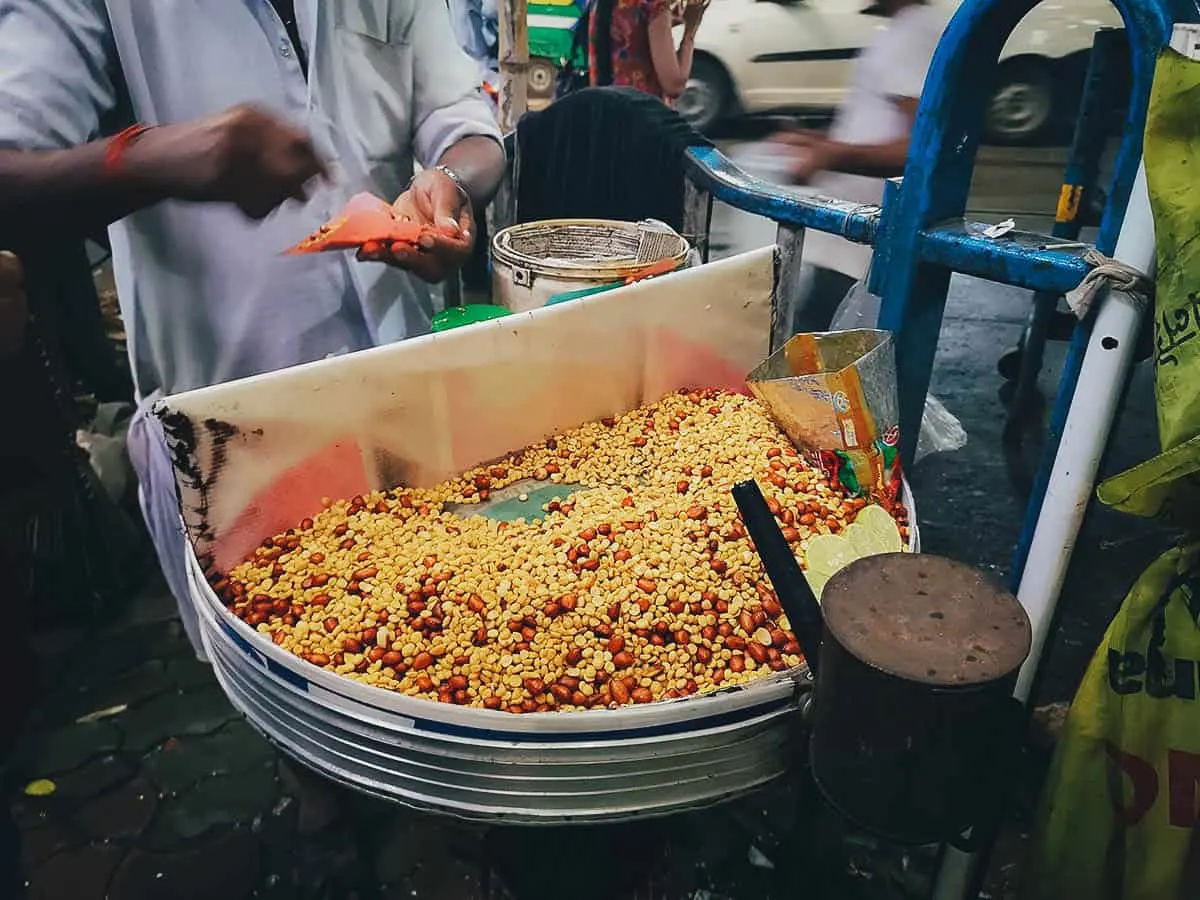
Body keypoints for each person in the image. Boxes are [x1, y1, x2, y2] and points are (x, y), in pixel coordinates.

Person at [0, 1, 505, 658]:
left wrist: (451, 186)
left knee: (452, 656)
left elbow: (463, 120)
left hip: (407, 416)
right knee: (300, 698)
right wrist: (159, 157)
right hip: (237, 452)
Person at [769, 0, 944, 333]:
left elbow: (918, 149)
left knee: (812, 353)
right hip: (848, 238)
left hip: (862, 242)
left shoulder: (915, 33)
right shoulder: (900, 30)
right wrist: (816, 142)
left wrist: (829, 155)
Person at [589, 0, 709, 104]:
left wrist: (665, 23)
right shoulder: (656, 5)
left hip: (605, 110)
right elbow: (674, 86)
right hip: (643, 117)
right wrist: (690, 31)